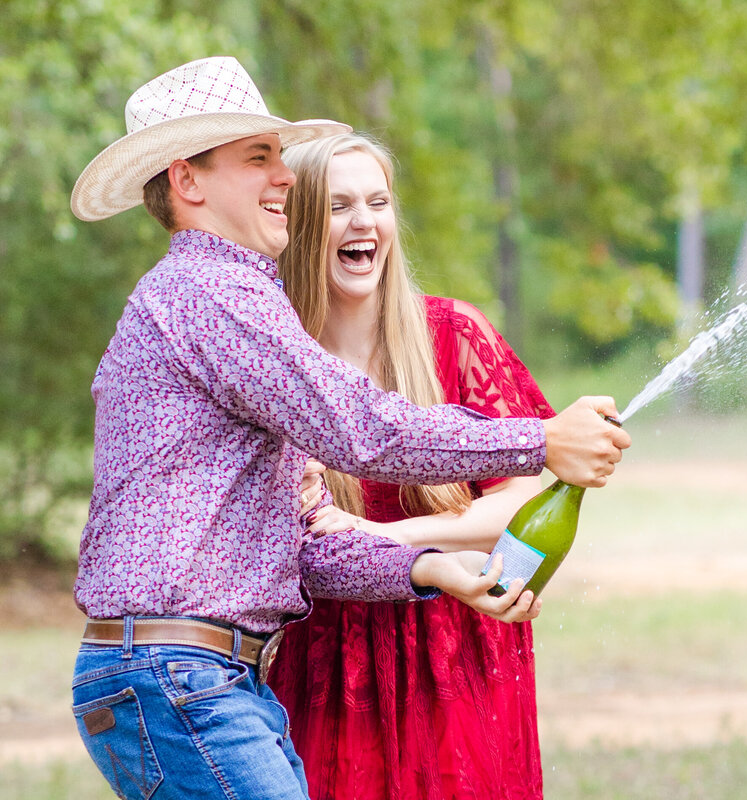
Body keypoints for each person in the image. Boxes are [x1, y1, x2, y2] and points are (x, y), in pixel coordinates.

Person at [68, 57, 630, 800]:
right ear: (188, 181)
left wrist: (428, 570)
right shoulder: (212, 292)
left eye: (280, 156)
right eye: (259, 157)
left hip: (198, 676)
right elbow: (361, 429)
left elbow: (302, 549)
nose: (285, 177)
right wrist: (540, 439)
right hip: (178, 676)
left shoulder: (231, 302)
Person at [266, 133, 551, 799]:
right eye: (338, 207)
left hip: (457, 648)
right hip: (329, 664)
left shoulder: (455, 336)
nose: (364, 221)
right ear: (302, 226)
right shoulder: (274, 361)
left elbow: (524, 503)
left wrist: (384, 540)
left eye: (378, 202)